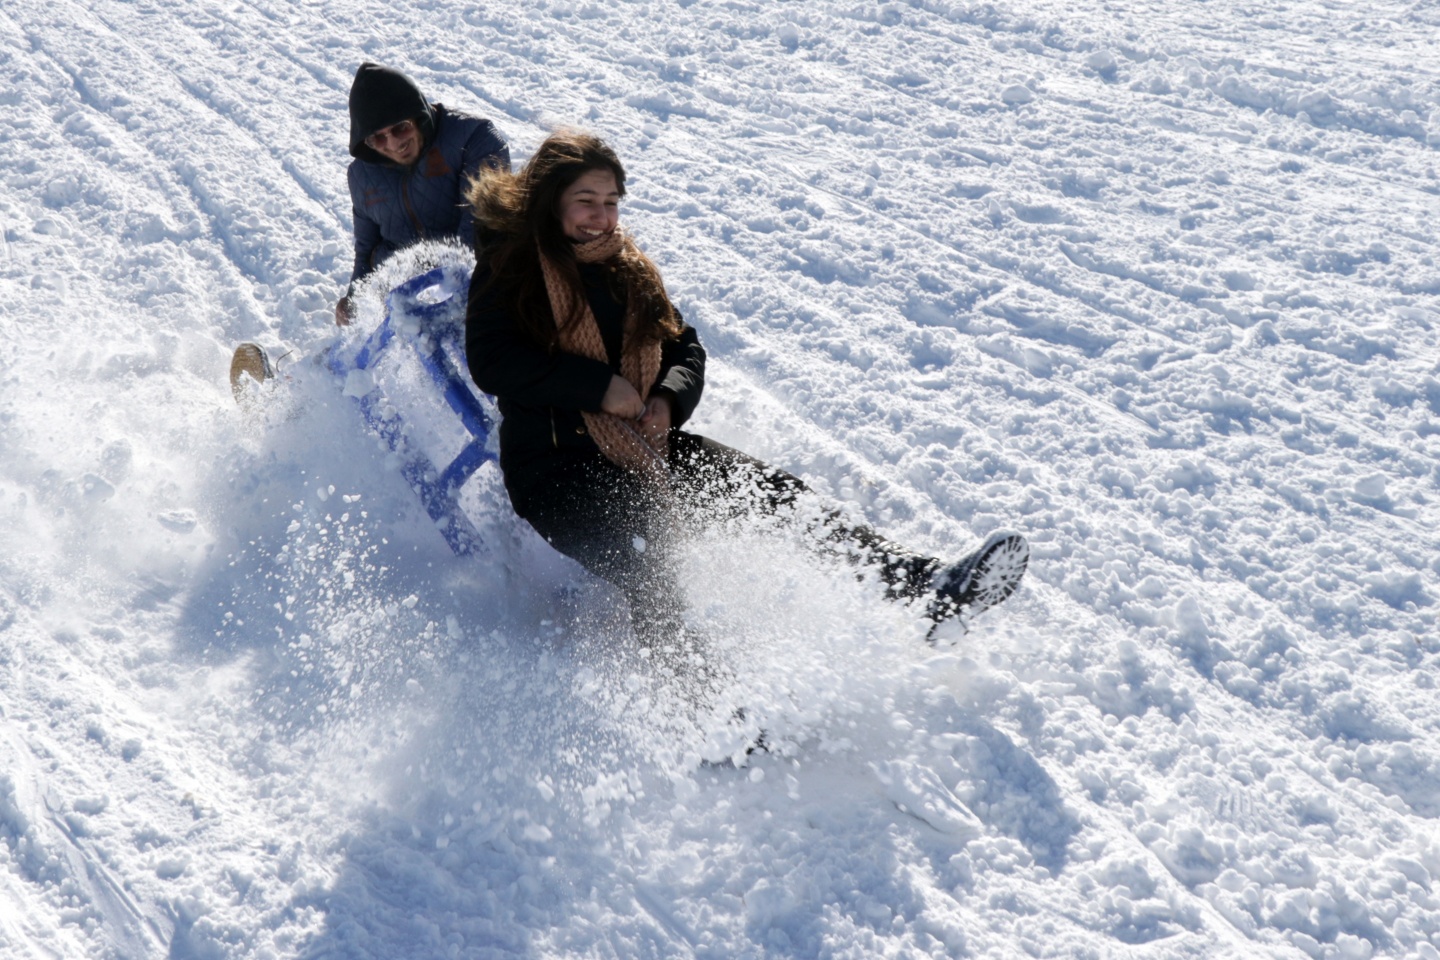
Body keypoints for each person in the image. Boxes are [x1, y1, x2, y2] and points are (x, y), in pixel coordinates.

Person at [464, 131, 1027, 659]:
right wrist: (596, 386)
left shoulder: (627, 268)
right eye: (586, 200)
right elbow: (494, 361)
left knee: (777, 496)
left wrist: (667, 399)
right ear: (549, 202)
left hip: (642, 445)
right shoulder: (511, 267)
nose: (602, 216)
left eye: (611, 201)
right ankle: (702, 705)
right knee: (650, 561)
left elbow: (683, 346)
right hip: (555, 471)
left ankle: (923, 587)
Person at [337, 62, 510, 325]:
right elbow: (367, 250)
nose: (394, 144)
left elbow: (480, 230)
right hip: (400, 294)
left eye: (401, 127)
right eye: (378, 138)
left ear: (419, 115)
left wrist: (442, 296)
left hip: (474, 287)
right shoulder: (361, 175)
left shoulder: (474, 139)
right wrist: (355, 299)